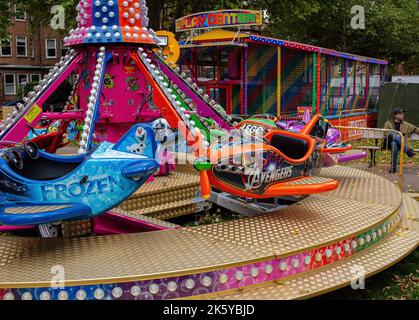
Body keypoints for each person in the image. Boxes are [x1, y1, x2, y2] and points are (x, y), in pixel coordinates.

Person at [383, 108, 418, 173]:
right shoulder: (388, 123)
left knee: (394, 144)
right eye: (400, 114)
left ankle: (393, 169)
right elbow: (385, 133)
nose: (402, 115)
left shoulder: (406, 124)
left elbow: (415, 129)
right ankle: (407, 150)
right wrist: (396, 135)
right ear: (395, 115)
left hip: (398, 145)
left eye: (403, 114)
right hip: (388, 143)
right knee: (391, 134)